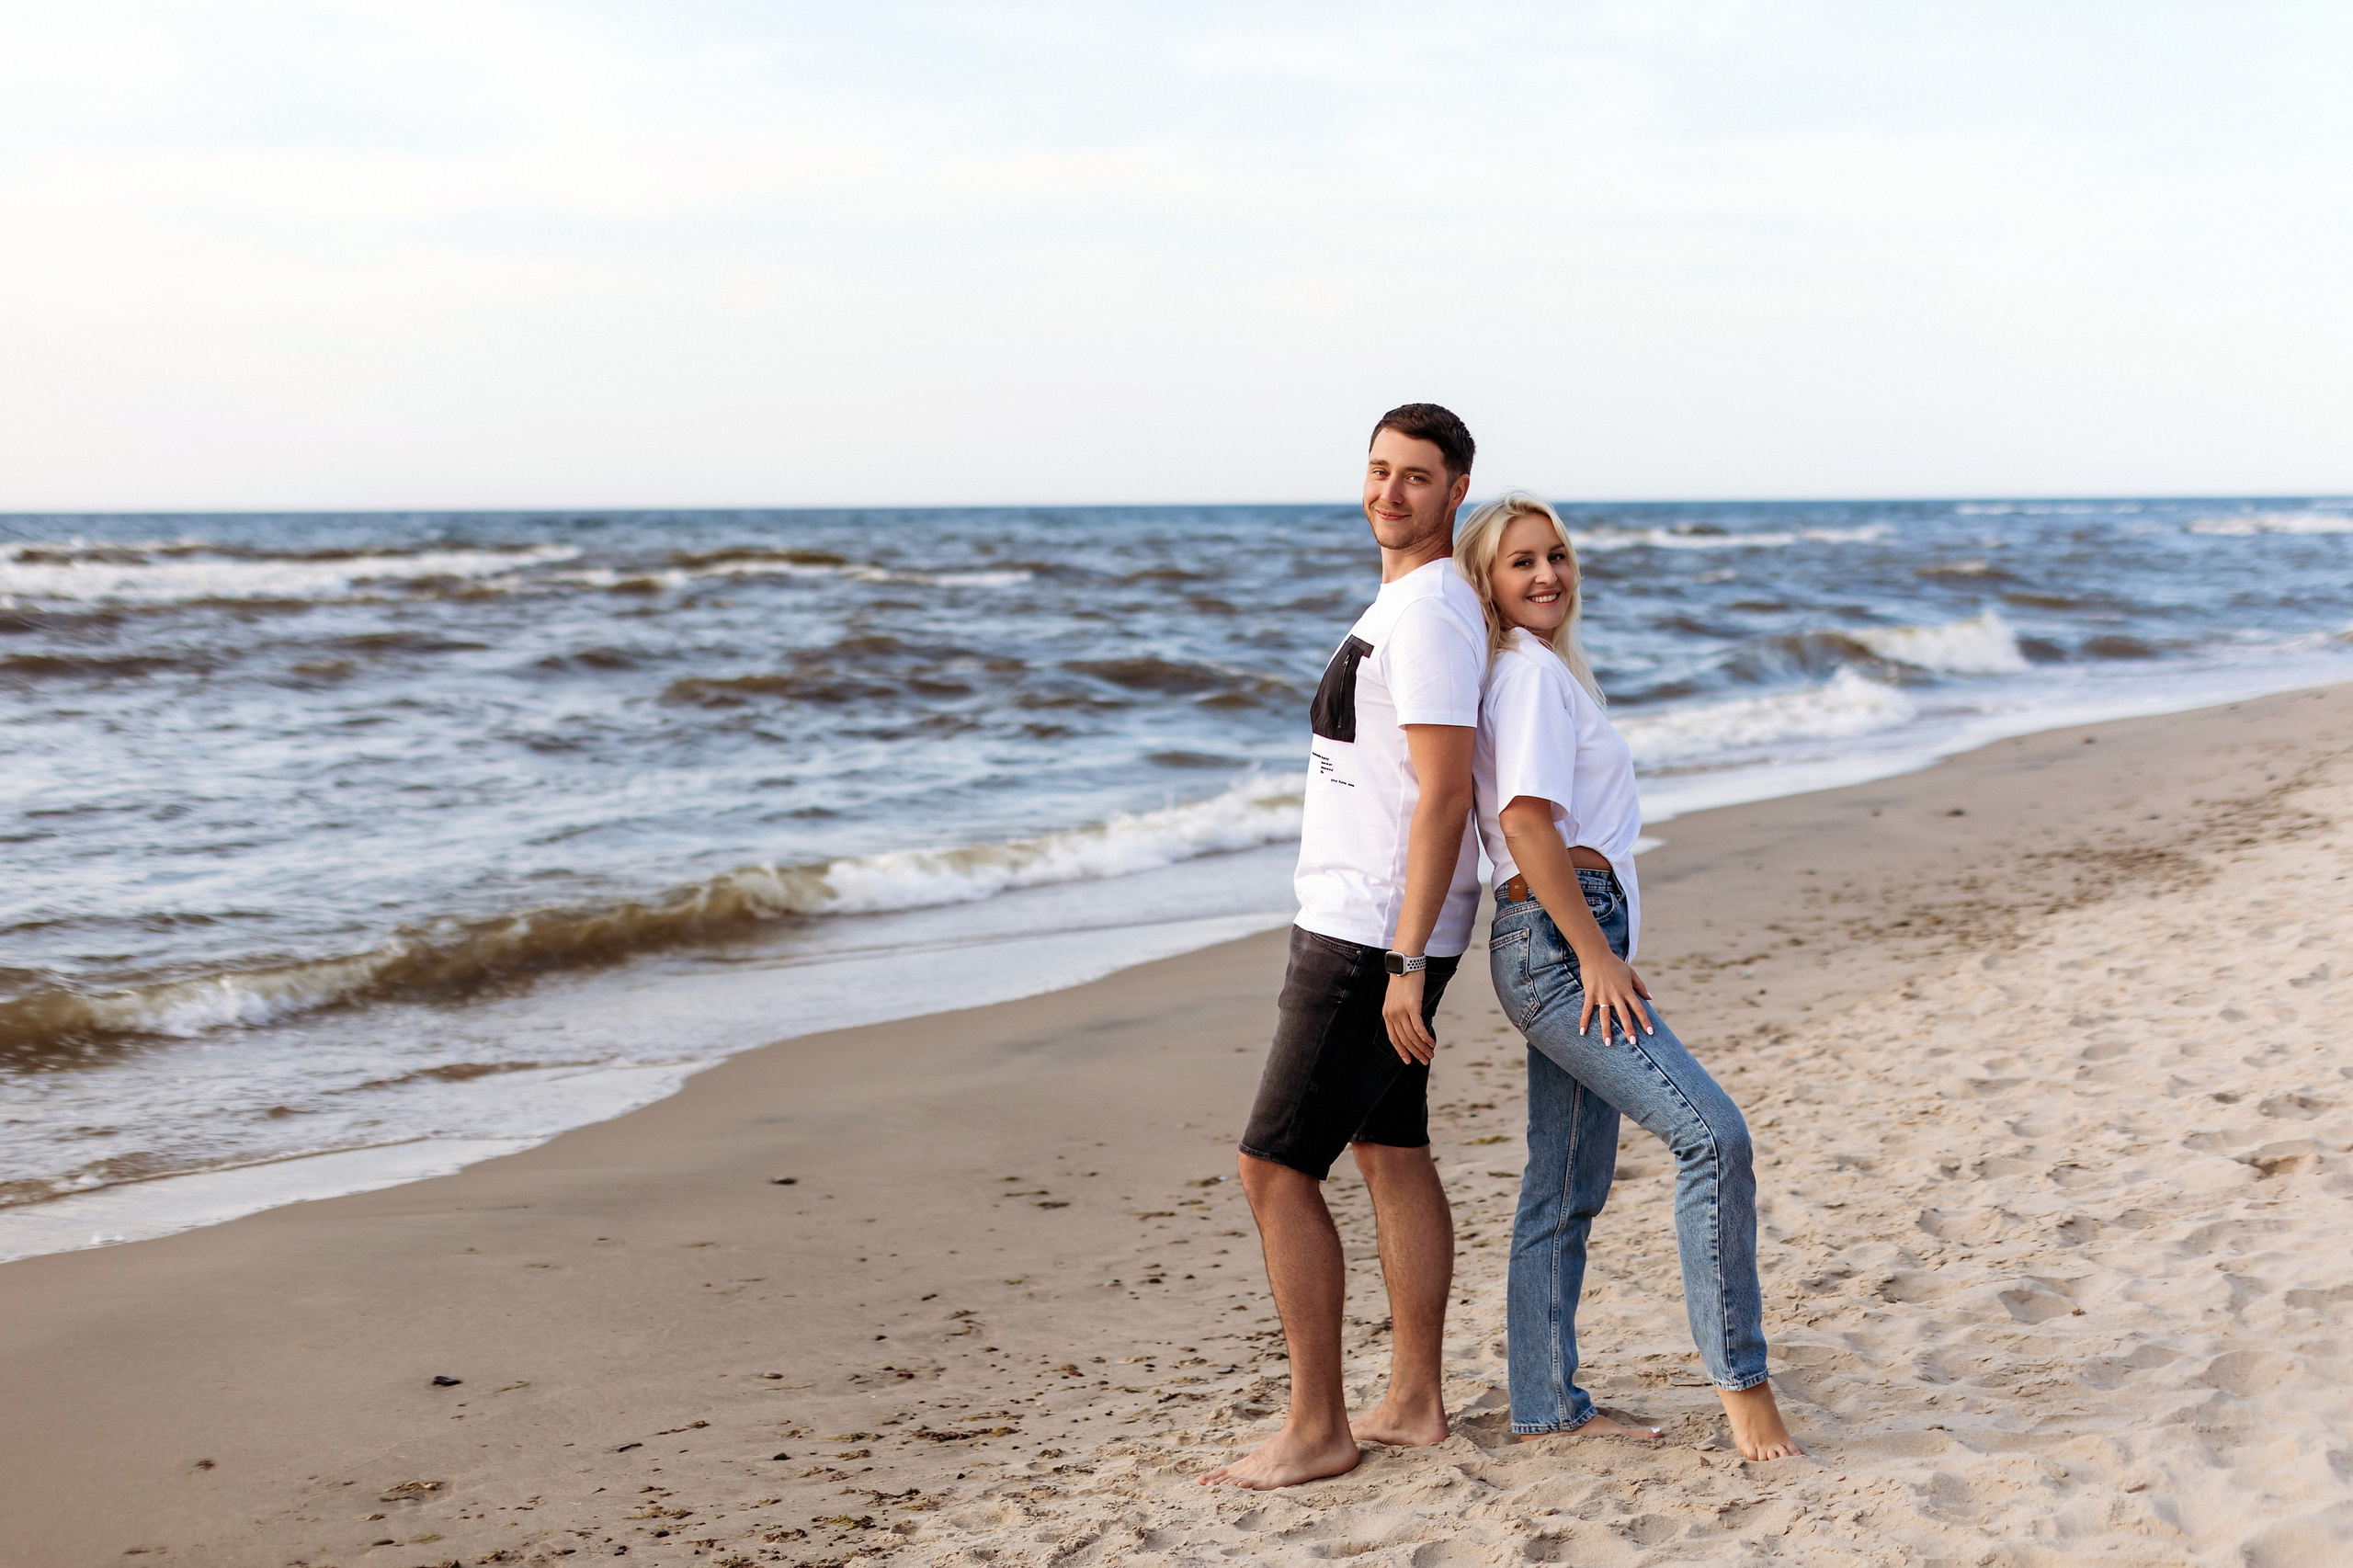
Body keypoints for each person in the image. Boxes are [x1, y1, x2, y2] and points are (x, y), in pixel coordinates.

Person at [1457, 491, 1801, 1462]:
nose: (1546, 575)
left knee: (1563, 1183)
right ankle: (1746, 1396)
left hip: (1556, 932)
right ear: (1487, 580)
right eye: (1520, 560)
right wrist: (1597, 952)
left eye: (1557, 555)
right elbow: (1527, 824)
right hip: (1559, 943)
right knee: (1712, 1137)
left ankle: (1544, 1402)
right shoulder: (1524, 678)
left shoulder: (1541, 675)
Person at [1200, 404, 1487, 1490]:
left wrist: (1407, 955)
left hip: (1369, 931)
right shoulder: (1416, 602)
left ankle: (1317, 1424)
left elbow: (1445, 791)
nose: (1389, 493)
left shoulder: (1427, 616)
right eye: (1377, 470)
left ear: (1457, 489)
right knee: (1389, 1147)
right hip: (1372, 918)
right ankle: (1413, 1400)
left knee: (1272, 1165)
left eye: (1415, 477)